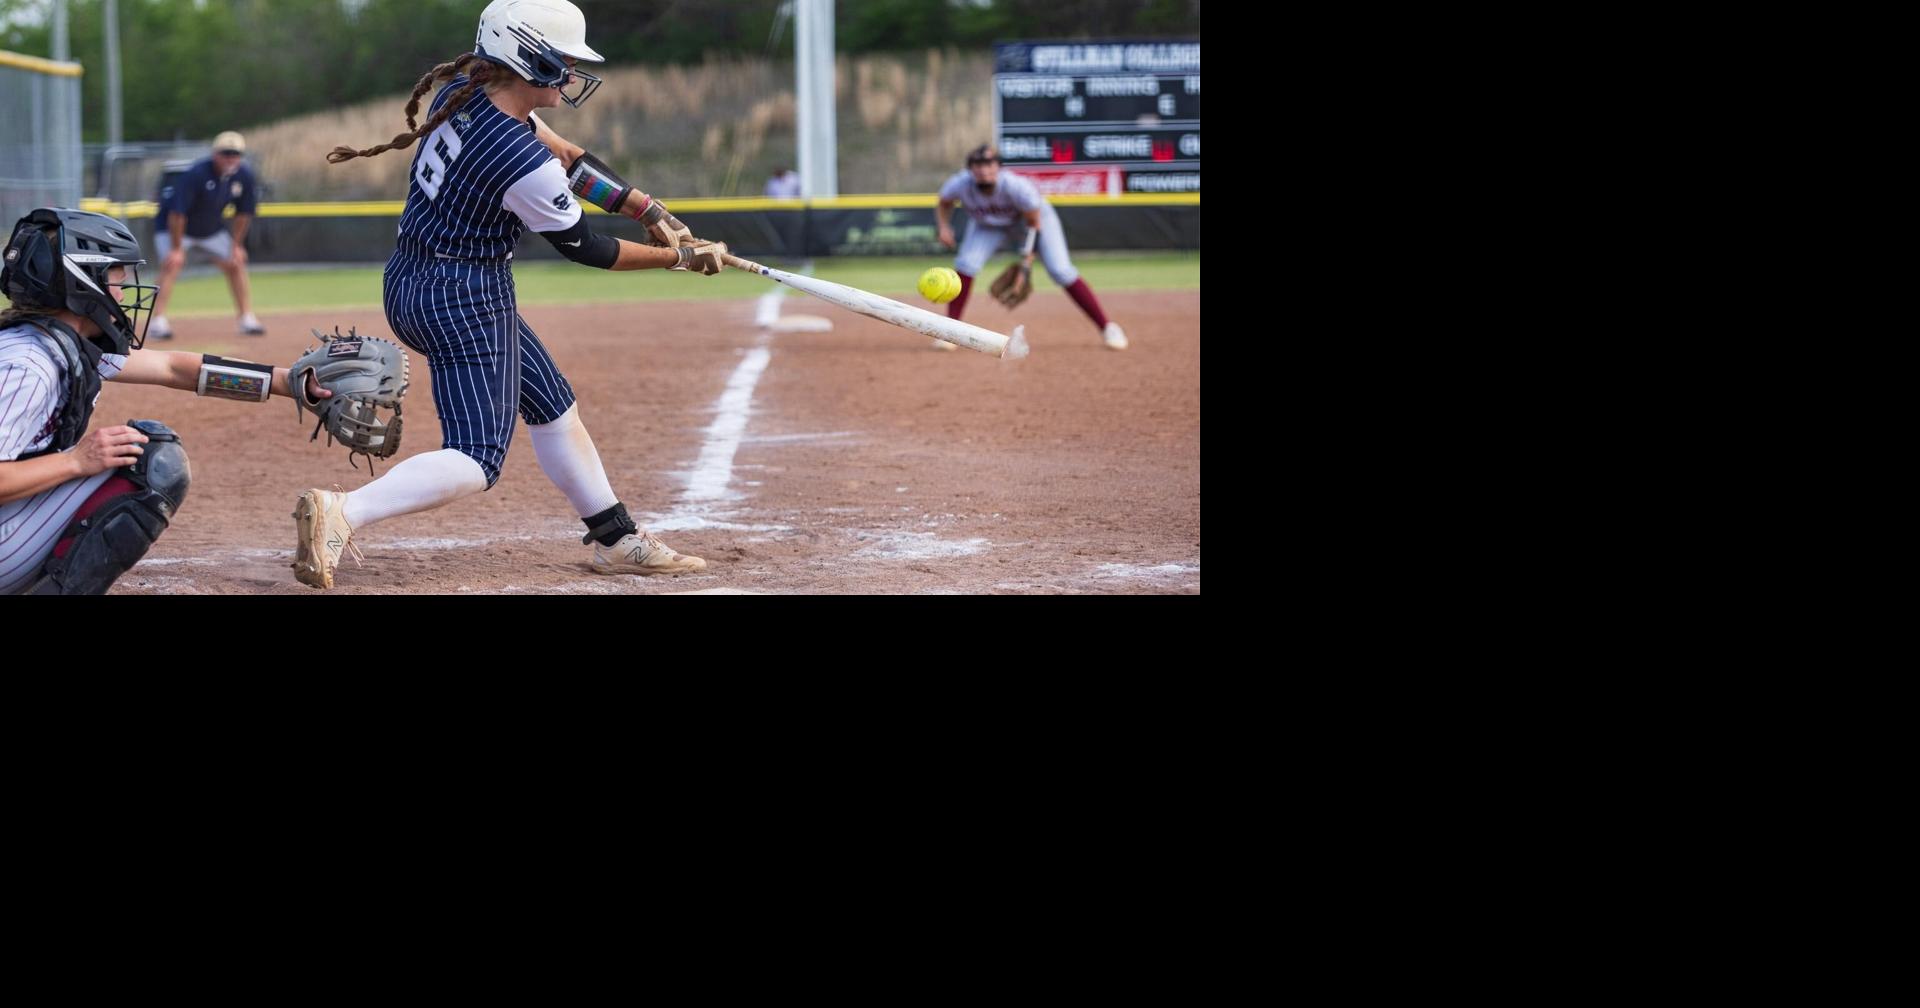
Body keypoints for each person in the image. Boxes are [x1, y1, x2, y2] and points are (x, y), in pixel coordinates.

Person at [298, 0, 728, 591]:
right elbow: (587, 249)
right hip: (463, 295)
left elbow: (571, 160)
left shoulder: (472, 95)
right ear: (528, 58)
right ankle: (344, 513)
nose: (573, 72)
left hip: (417, 278)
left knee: (552, 405)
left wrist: (646, 209)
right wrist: (678, 258)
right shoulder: (516, 159)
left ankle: (616, 538)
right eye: (563, 60)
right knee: (476, 458)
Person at [0, 208, 329, 594]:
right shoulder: (27, 367)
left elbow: (176, 369)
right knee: (153, 459)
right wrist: (75, 461)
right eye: (116, 280)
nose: (123, 294)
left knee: (132, 450)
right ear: (82, 283)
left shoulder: (55, 345)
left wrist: (290, 383)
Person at [933, 144, 1128, 351]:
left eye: (989, 164)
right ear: (970, 170)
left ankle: (1107, 327)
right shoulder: (960, 183)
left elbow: (1034, 225)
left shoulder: (1016, 186)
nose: (983, 170)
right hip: (988, 225)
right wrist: (944, 227)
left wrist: (1026, 266)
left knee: (1061, 271)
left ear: (999, 167)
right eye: (977, 165)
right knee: (966, 264)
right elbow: (944, 202)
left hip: (1033, 223)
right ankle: (950, 331)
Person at [145, 131, 265, 340]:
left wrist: (237, 245)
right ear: (215, 154)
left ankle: (246, 318)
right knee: (171, 265)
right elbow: (177, 214)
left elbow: (244, 213)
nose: (230, 158)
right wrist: (176, 249)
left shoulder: (243, 175)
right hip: (174, 228)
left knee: (235, 264)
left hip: (210, 228)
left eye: (235, 153)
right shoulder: (196, 174)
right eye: (225, 153)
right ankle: (157, 321)